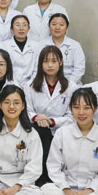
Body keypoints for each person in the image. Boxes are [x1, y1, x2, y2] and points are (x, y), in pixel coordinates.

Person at [24, 46, 78, 186]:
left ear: (61, 62)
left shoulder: (71, 87)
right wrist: (36, 118)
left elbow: (72, 116)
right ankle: (41, 181)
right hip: (37, 130)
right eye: (45, 61)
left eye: (54, 61)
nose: (50, 65)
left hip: (61, 130)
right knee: (42, 132)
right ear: (40, 64)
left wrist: (52, 121)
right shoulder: (30, 85)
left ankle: (52, 181)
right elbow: (26, 110)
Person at [45, 13, 85, 84]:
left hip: (71, 84)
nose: (57, 27)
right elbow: (37, 68)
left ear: (67, 27)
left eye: (61, 25)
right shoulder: (41, 45)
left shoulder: (75, 45)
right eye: (54, 24)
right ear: (49, 26)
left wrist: (67, 85)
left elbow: (79, 69)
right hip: (47, 84)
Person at [4, 15, 42, 86]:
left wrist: (28, 85)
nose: (21, 28)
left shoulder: (36, 46)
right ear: (11, 29)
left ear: (28, 28)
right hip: (10, 84)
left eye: (24, 25)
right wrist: (16, 85)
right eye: (17, 25)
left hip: (31, 85)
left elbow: (37, 69)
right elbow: (5, 69)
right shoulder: (5, 46)